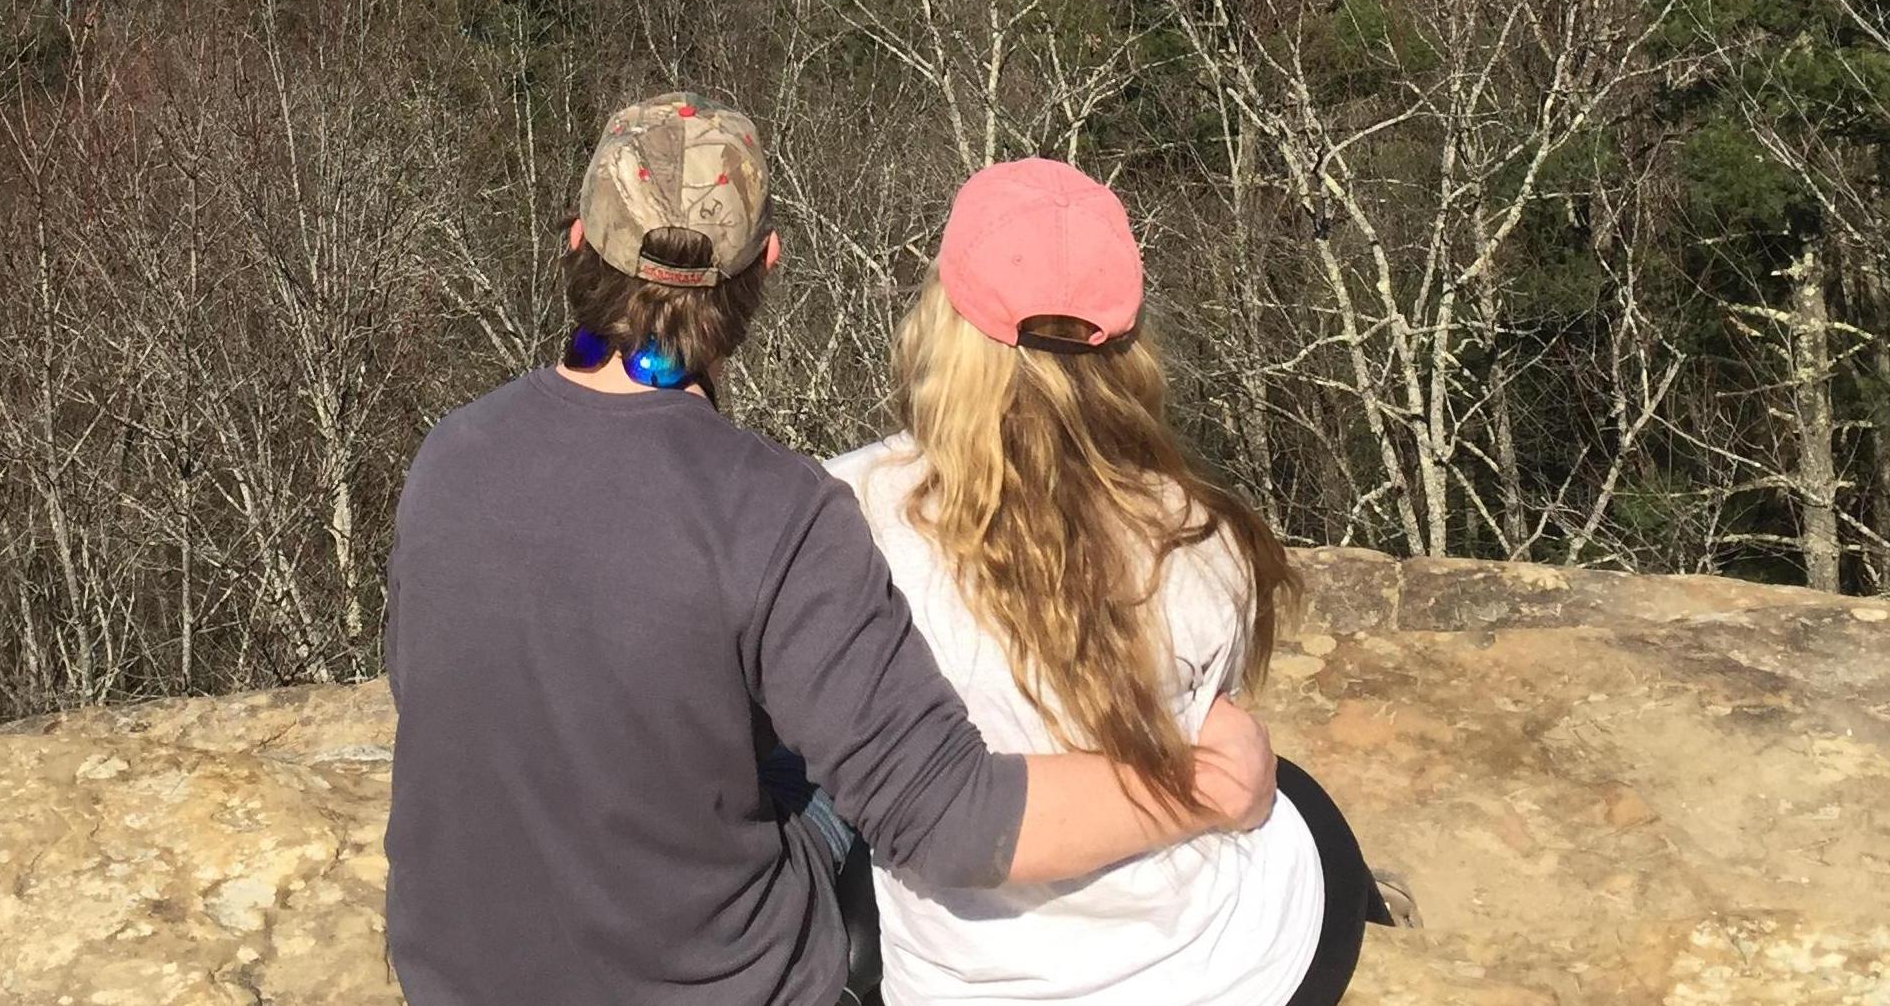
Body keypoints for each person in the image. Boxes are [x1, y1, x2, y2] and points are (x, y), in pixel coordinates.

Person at [383, 96, 1281, 1006]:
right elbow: (950, 821)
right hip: (711, 985)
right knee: (832, 775)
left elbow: (439, 694)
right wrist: (1202, 786)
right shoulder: (777, 507)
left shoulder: (448, 455)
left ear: (575, 243)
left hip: (452, 979)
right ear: (764, 267)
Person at [830, 156, 1392, 1006]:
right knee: (1294, 797)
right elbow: (1209, 747)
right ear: (1129, 345)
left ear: (944, 322)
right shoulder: (1201, 537)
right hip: (1218, 967)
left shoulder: (842, 515)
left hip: (963, 983)